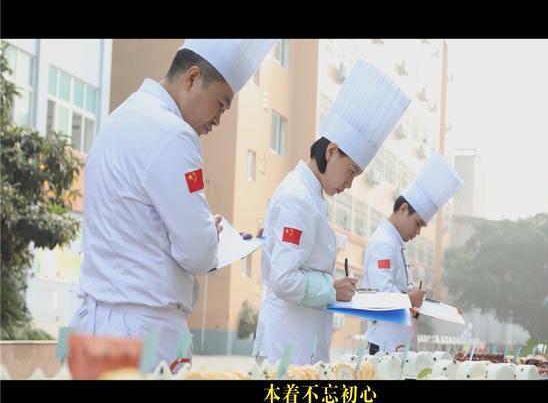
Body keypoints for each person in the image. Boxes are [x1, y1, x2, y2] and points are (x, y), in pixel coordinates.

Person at [70, 39, 275, 369]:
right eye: (220, 105)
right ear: (192, 78)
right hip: (144, 334)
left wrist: (201, 230)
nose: (218, 120)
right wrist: (208, 233)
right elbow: (197, 252)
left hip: (96, 327)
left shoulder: (119, 119)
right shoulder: (175, 135)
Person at [253, 60, 411, 365]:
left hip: (301, 342)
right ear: (331, 151)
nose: (349, 184)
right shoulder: (298, 198)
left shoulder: (310, 195)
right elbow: (284, 280)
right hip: (288, 347)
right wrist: (330, 288)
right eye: (350, 172)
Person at [363, 152, 463, 354]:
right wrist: (410, 300)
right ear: (403, 208)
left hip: (397, 343)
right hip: (385, 345)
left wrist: (417, 304)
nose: (417, 232)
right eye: (417, 223)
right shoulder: (383, 242)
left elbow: (398, 293)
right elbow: (381, 294)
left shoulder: (394, 241)